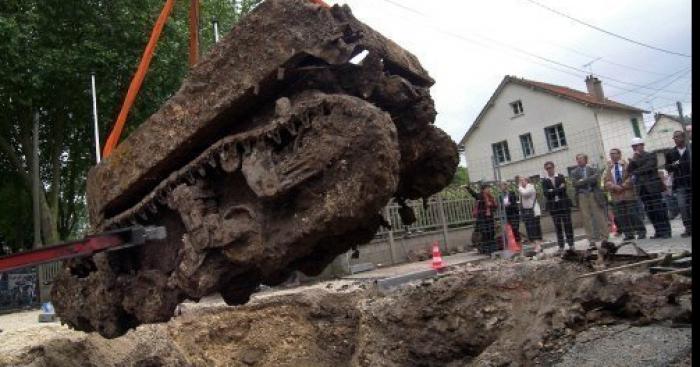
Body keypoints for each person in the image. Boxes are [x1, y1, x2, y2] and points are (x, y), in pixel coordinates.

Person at [627, 137, 671, 239]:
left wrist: (636, 170)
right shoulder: (634, 159)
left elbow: (649, 167)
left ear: (642, 145)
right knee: (649, 211)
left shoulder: (651, 155)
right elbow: (629, 170)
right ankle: (658, 231)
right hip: (642, 189)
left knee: (659, 209)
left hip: (653, 187)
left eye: (637, 145)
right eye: (633, 146)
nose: (635, 148)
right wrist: (634, 160)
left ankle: (666, 232)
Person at [603, 148, 646, 240]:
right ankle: (628, 234)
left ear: (619, 154)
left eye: (614, 153)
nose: (612, 156)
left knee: (633, 214)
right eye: (610, 154)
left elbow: (632, 177)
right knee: (621, 216)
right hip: (616, 195)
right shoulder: (609, 168)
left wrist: (623, 185)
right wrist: (614, 186)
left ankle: (641, 231)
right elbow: (606, 181)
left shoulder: (626, 165)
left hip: (628, 194)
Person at [570, 153, 610, 248]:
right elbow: (575, 184)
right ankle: (591, 239)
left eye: (581, 159)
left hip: (593, 194)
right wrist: (587, 180)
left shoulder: (593, 169)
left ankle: (604, 236)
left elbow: (595, 179)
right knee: (586, 217)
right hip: (582, 195)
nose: (579, 160)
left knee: (599, 215)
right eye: (578, 159)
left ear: (586, 160)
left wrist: (583, 180)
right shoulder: (574, 172)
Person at [541, 161, 575, 252]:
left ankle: (571, 244)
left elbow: (564, 189)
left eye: (550, 167)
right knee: (558, 226)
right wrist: (558, 189)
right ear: (545, 169)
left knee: (568, 224)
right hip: (553, 207)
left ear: (553, 167)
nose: (549, 169)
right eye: (547, 168)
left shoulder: (560, 176)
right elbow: (546, 193)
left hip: (564, 204)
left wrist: (552, 190)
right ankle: (561, 246)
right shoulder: (544, 180)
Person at [664, 130, 692, 237]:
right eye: (674, 137)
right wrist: (675, 163)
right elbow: (667, 167)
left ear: (684, 138)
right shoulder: (671, 153)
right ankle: (688, 228)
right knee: (683, 206)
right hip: (680, 184)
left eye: (677, 137)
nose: (675, 139)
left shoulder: (690, 148)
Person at [464, 182, 498, 254]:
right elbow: (475, 195)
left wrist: (491, 205)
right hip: (483, 218)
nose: (489, 189)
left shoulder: (491, 197)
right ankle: (485, 249)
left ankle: (492, 248)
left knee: (491, 233)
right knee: (485, 234)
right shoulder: (481, 196)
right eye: (487, 188)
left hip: (490, 217)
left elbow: (495, 207)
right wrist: (468, 188)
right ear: (483, 189)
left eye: (489, 188)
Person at [517, 176, 543, 244]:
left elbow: (525, 194)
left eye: (522, 180)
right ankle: (532, 240)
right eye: (520, 181)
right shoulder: (522, 189)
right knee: (528, 225)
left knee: (535, 225)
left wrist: (519, 187)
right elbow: (521, 200)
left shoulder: (530, 187)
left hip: (533, 209)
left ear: (526, 181)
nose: (521, 182)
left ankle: (538, 240)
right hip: (526, 210)